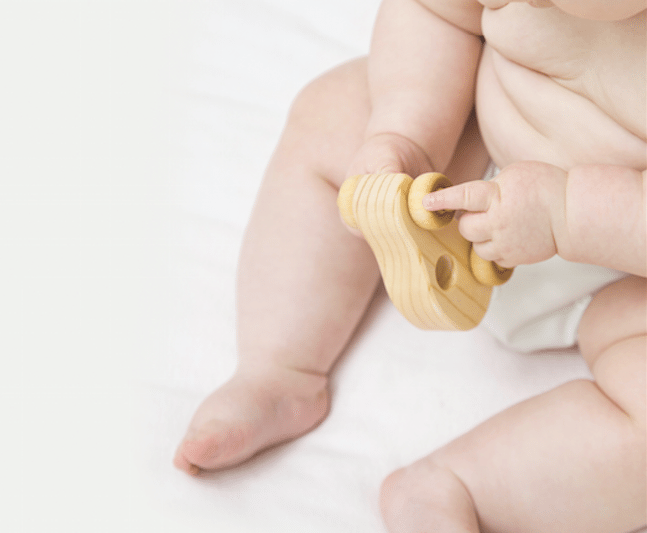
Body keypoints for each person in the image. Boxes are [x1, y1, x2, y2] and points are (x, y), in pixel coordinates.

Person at [173, 0, 646, 530]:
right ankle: (278, 367)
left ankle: (462, 490)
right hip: (474, 168)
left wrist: (568, 216)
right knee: (332, 112)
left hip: (618, 272)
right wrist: (407, 136)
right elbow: (434, 14)